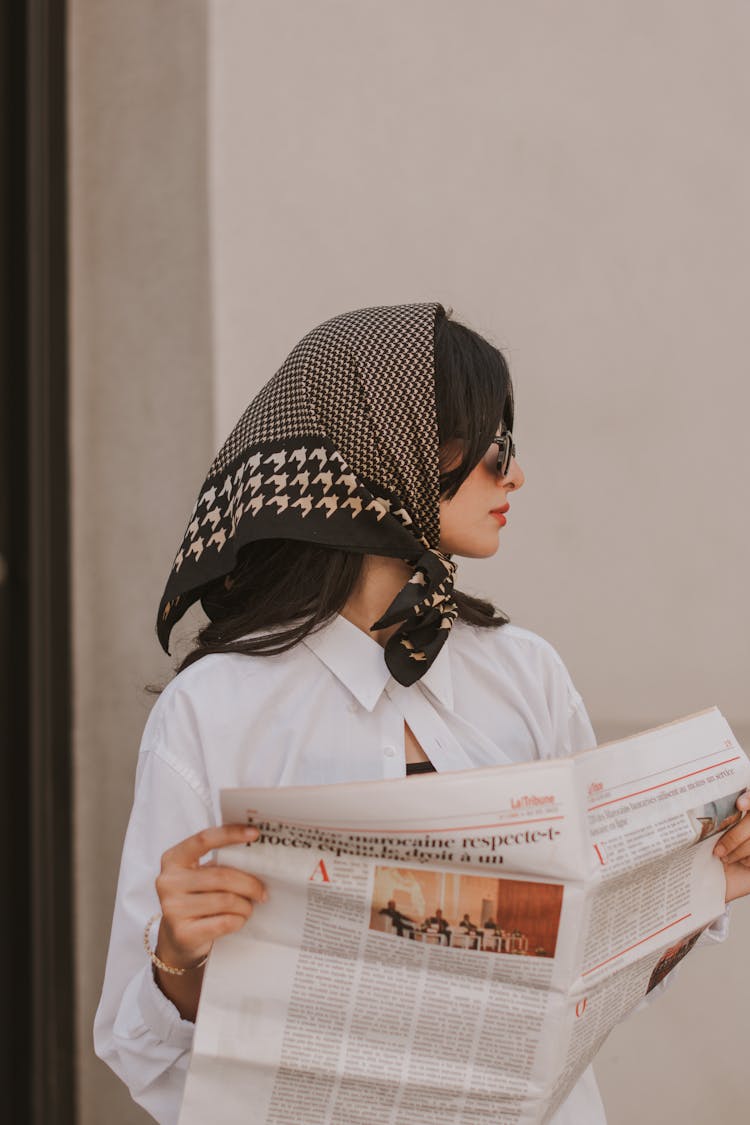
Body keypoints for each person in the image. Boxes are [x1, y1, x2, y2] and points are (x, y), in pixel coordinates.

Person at [94, 302, 750, 1125]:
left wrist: (702, 883)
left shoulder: (526, 673)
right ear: (388, 446)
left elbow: (581, 990)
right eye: (492, 447)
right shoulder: (215, 710)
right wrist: (176, 955)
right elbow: (138, 1041)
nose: (515, 476)